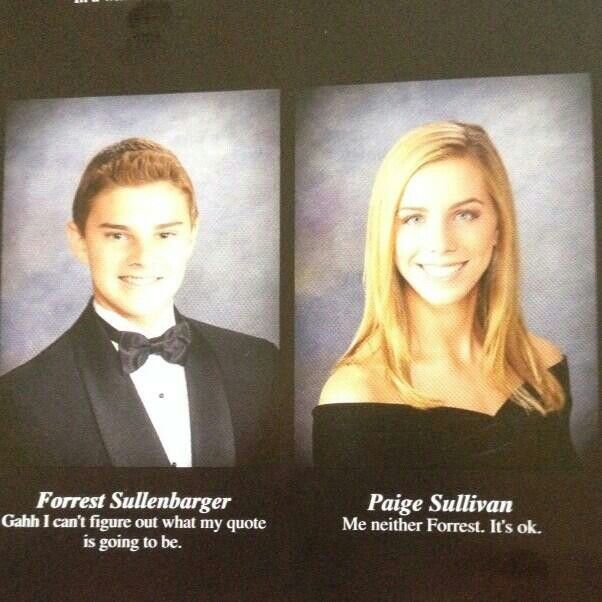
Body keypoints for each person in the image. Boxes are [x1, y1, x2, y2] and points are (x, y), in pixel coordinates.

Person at [315, 121, 579, 470]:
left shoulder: (542, 363)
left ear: (499, 227)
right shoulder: (355, 396)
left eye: (465, 214)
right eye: (413, 219)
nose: (441, 243)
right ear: (386, 237)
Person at [0, 138, 279, 467]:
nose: (142, 259)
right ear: (79, 241)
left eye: (164, 235)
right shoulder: (21, 400)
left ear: (192, 236)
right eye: (118, 235)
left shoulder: (261, 366)